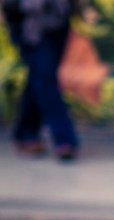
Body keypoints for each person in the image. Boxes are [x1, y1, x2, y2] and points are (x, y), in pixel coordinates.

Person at [2, 0, 81, 159]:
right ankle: (64, 139)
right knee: (45, 78)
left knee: (40, 78)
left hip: (58, 18)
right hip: (27, 23)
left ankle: (26, 132)